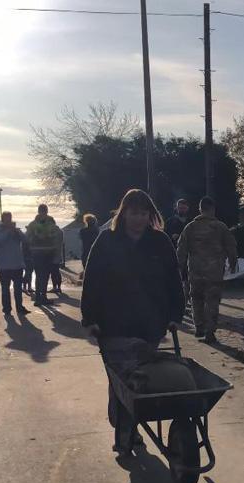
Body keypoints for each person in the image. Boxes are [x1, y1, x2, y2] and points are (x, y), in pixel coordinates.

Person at [81, 189, 186, 453]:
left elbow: (173, 280)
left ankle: (127, 429)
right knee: (121, 381)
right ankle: (124, 430)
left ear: (150, 215)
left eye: (143, 213)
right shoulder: (107, 241)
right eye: (133, 212)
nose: (138, 218)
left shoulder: (160, 242)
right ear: (123, 213)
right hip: (112, 324)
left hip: (149, 323)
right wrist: (89, 318)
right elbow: (92, 280)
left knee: (141, 380)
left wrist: (175, 314)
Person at [176, 196, 237, 343]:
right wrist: (233, 263)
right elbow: (231, 246)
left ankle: (199, 326)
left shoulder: (189, 227)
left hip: (195, 271)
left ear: (200, 209)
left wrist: (179, 268)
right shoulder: (221, 227)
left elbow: (181, 250)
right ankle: (210, 332)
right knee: (212, 301)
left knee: (196, 299)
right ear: (213, 209)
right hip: (214, 272)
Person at [0, 211, 30, 316]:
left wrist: (17, 232)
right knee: (5, 289)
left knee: (18, 289)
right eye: (6, 219)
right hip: (3, 266)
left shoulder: (15, 231)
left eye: (9, 219)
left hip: (16, 265)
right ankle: (7, 309)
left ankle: (19, 308)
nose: (8, 221)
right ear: (2, 220)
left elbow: (25, 239)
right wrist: (8, 232)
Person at [26, 204, 60, 306]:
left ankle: (39, 298)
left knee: (40, 275)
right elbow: (55, 236)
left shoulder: (32, 224)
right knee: (44, 276)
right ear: (46, 211)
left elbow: (27, 238)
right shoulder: (50, 223)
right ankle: (42, 297)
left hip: (37, 253)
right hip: (47, 253)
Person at [50, 223, 65, 294]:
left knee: (54, 272)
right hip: (58, 254)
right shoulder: (60, 231)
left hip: (53, 254)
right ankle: (58, 287)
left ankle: (55, 287)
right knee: (57, 271)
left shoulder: (53, 232)